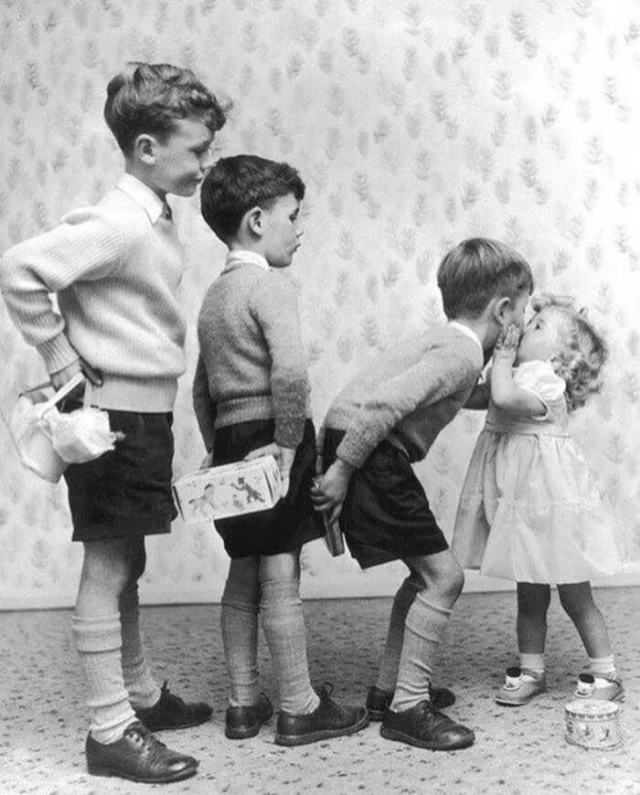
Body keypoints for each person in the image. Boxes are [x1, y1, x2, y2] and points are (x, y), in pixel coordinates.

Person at [0, 62, 228, 784]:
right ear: (147, 149)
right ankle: (109, 729)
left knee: (128, 557)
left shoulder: (153, 216)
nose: (205, 163)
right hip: (112, 417)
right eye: (197, 149)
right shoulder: (122, 221)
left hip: (141, 412)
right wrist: (60, 355)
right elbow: (18, 269)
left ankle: (140, 696)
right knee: (108, 563)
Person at [312, 238, 534, 750]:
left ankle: (389, 690)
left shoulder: (452, 345)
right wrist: (342, 471)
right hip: (368, 451)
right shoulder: (461, 353)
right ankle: (408, 707)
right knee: (444, 577)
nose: (524, 321)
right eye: (524, 311)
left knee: (424, 575)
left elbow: (464, 394)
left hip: (360, 443)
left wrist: (516, 377)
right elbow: (383, 406)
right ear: (503, 310)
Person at [193, 154, 369, 746]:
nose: (300, 229)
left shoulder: (214, 298)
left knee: (242, 570)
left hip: (231, 442)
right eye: (293, 216)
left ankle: (243, 705)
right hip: (275, 436)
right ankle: (298, 705)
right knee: (281, 573)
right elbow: (290, 372)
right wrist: (289, 447)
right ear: (257, 221)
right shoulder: (270, 286)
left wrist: (217, 452)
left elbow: (201, 390)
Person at [452, 295, 626, 706]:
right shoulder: (512, 372)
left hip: (551, 506)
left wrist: (503, 355)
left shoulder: (546, 381)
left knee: (574, 593)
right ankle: (532, 670)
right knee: (529, 592)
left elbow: (503, 399)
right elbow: (474, 396)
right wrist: (480, 359)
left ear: (559, 356)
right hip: (522, 506)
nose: (526, 326)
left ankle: (607, 672)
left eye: (538, 326)